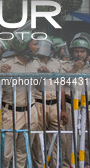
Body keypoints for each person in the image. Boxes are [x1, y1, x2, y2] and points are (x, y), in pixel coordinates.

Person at [0, 30, 40, 167]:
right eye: (35, 44)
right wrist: (0, 75)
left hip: (30, 112)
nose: (38, 47)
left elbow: (39, 88)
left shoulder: (36, 63)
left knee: (22, 151)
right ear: (24, 45)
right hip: (10, 112)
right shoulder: (6, 64)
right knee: (5, 153)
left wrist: (44, 76)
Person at [31, 35, 68, 167]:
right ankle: (40, 165)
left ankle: (55, 164)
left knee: (59, 138)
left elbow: (61, 87)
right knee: (37, 140)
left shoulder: (56, 63)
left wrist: (63, 109)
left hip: (54, 105)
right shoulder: (33, 62)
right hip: (38, 103)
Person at [61, 32, 90, 166]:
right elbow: (61, 82)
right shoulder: (66, 66)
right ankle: (68, 165)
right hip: (70, 106)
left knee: (87, 139)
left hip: (87, 107)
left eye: (82, 51)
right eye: (77, 51)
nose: (80, 54)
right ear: (72, 52)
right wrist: (74, 69)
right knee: (69, 139)